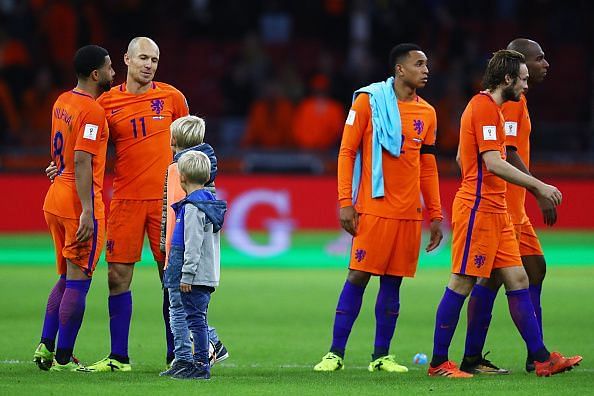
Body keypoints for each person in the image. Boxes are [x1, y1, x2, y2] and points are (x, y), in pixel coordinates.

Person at [427, 49, 581, 378]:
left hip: (496, 208)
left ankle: (541, 358)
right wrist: (538, 186)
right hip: (479, 209)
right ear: (508, 78)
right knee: (462, 281)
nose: (526, 85)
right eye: (522, 79)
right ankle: (439, 362)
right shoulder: (483, 107)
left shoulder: (493, 111)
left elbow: (460, 157)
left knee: (519, 277)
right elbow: (494, 162)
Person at [313, 43, 444, 372]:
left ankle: (381, 356)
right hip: (373, 207)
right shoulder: (367, 102)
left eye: (426, 64)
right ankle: (335, 353)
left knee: (393, 283)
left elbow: (427, 167)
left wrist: (436, 213)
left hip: (408, 213)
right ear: (400, 70)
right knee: (357, 276)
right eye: (419, 63)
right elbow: (346, 152)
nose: (426, 69)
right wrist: (346, 202)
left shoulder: (427, 113)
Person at [460, 39, 555, 375]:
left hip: (515, 206)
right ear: (519, 67)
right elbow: (507, 152)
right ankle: (475, 356)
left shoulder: (519, 97)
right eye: (539, 59)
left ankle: (536, 354)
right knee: (493, 279)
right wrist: (538, 189)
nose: (546, 64)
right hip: (505, 205)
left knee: (533, 270)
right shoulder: (509, 102)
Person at [33, 44, 114, 372]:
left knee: (66, 277)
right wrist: (86, 210)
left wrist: (57, 167)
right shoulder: (92, 111)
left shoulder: (62, 101)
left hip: (54, 197)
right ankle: (64, 358)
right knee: (79, 281)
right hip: (78, 203)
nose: (113, 73)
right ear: (96, 74)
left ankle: (45, 345)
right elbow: (81, 158)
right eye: (109, 67)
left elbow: (63, 152)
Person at [158, 115, 228, 377]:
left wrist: (169, 250)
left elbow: (180, 220)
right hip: (192, 259)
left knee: (181, 310)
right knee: (190, 312)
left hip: (181, 255)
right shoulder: (206, 182)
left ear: (173, 139)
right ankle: (190, 359)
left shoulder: (180, 172)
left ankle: (190, 361)